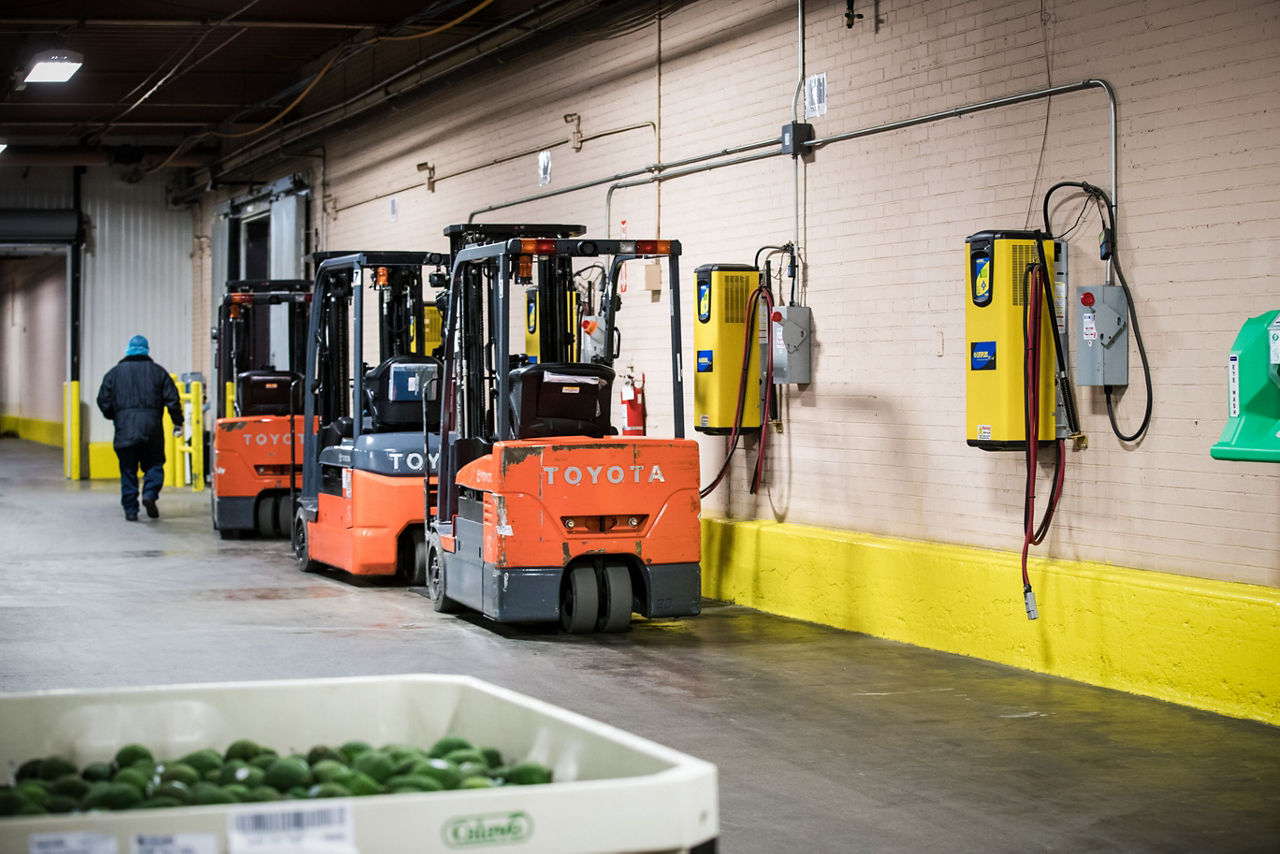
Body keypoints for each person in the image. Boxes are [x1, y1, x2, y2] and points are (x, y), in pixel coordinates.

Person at [96, 335, 184, 521]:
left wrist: (116, 416)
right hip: (151, 429)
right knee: (154, 464)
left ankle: (130, 510)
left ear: (128, 350)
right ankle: (149, 494)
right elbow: (173, 400)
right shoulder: (158, 372)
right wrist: (178, 422)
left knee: (128, 469)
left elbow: (103, 400)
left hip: (124, 428)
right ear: (146, 350)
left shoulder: (114, 373)